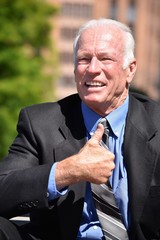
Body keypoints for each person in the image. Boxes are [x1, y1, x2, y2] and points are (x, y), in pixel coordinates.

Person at [0, 18, 160, 240]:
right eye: (84, 59)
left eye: (105, 58)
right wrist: (66, 171)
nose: (93, 69)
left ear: (130, 70)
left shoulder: (157, 123)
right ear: (75, 69)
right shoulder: (40, 123)